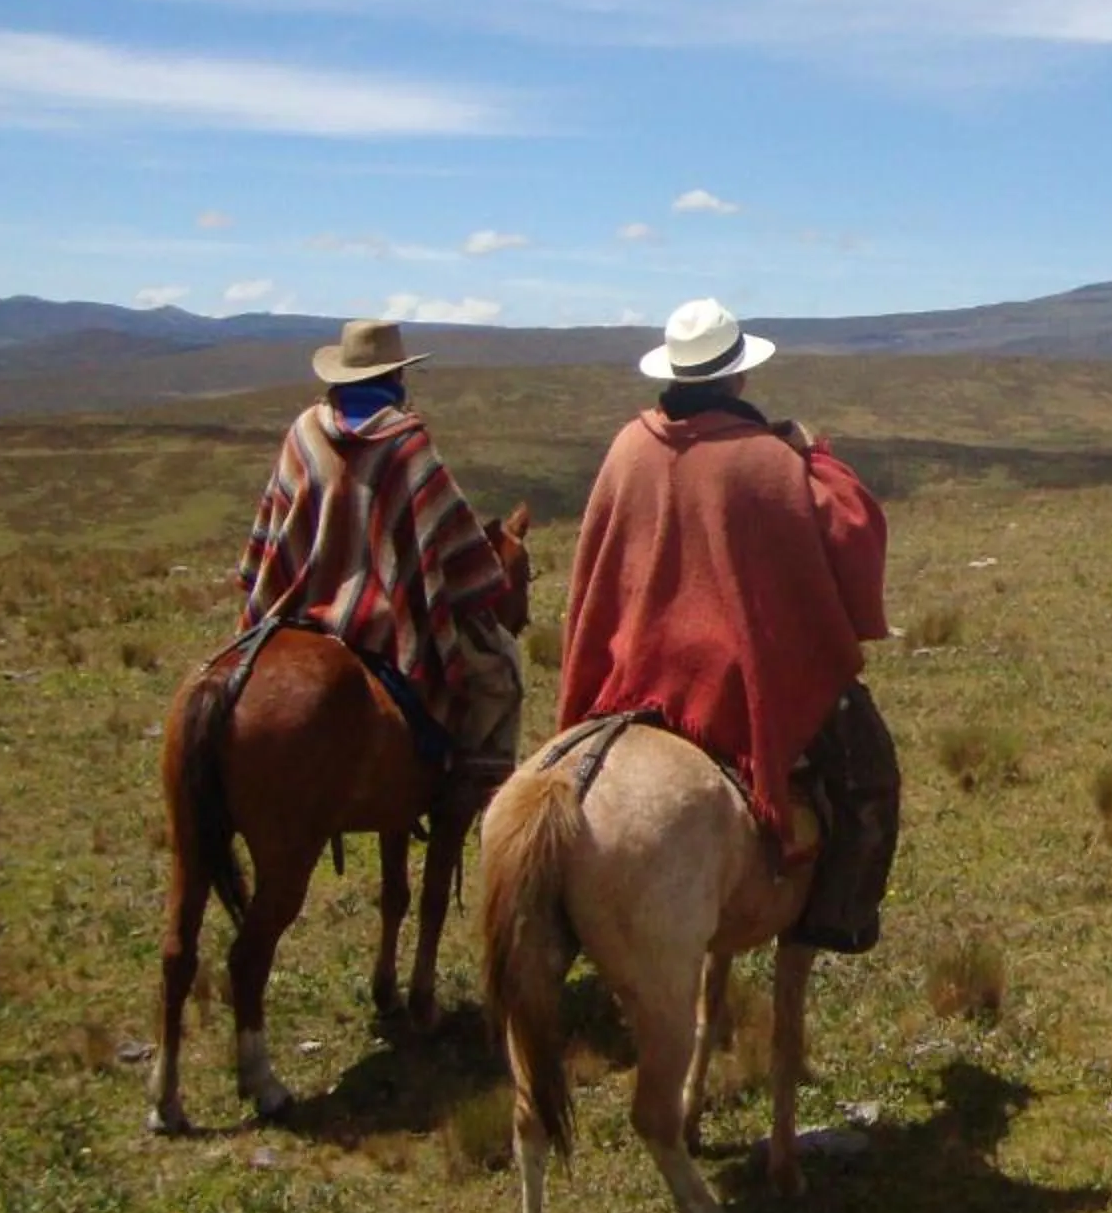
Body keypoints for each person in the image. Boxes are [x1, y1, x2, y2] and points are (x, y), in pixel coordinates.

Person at [556, 298, 890, 859]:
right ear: (737, 376)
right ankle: (835, 917)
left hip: (628, 670)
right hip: (726, 679)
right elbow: (852, 528)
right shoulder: (765, 457)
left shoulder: (627, 448)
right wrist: (815, 457)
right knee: (870, 769)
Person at [238, 318, 524, 807]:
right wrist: (483, 577)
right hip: (386, 626)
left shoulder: (303, 433)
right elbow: (452, 539)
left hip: (297, 612)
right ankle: (468, 785)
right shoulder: (407, 442)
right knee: (500, 668)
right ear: (395, 377)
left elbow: (273, 532)